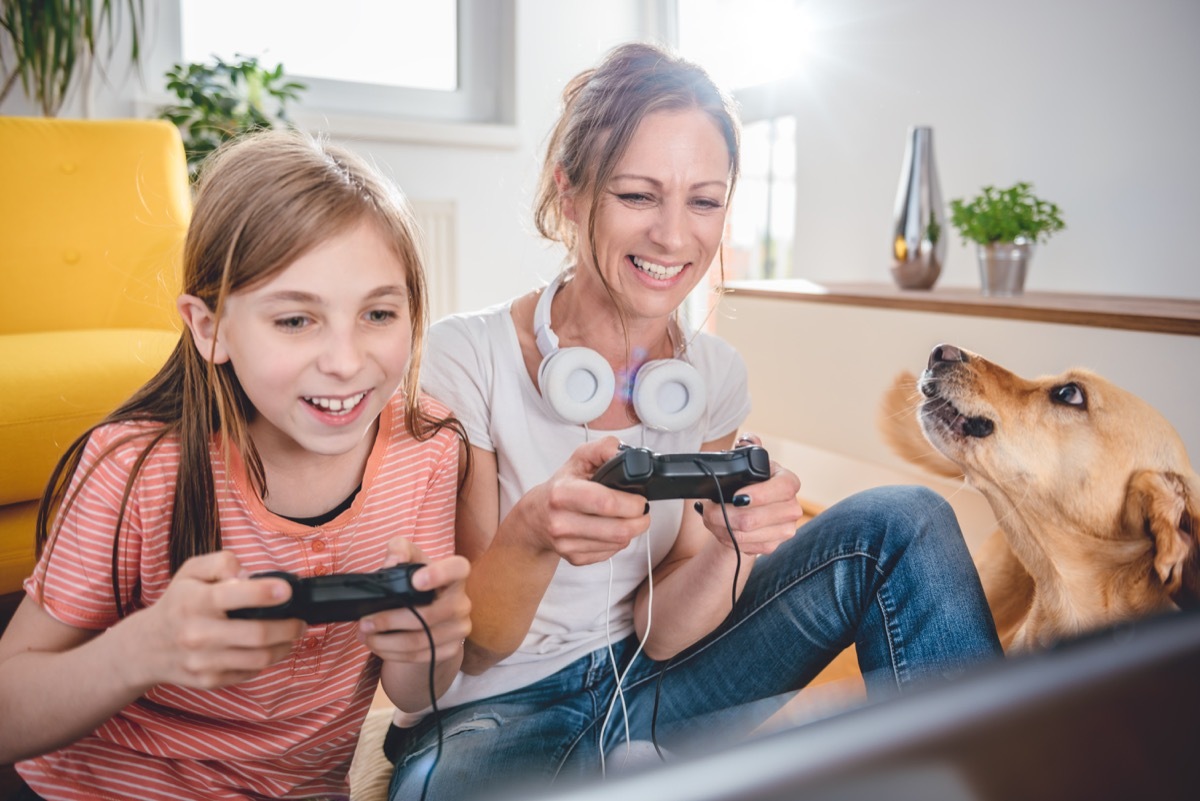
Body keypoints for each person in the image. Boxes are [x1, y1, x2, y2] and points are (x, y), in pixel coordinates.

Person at [386, 42, 1002, 801]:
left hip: (654, 679)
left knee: (905, 519)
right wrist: (534, 532)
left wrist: (725, 549)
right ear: (571, 194)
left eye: (703, 201)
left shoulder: (710, 376)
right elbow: (477, 643)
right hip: (494, 712)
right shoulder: (465, 356)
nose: (674, 238)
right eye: (638, 196)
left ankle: (994, 776)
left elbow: (667, 626)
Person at [0, 130, 472, 801]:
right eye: (295, 320)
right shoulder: (136, 467)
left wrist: (433, 645)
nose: (345, 359)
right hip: (104, 786)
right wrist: (146, 648)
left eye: (377, 313)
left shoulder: (428, 447)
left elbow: (409, 687)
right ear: (208, 326)